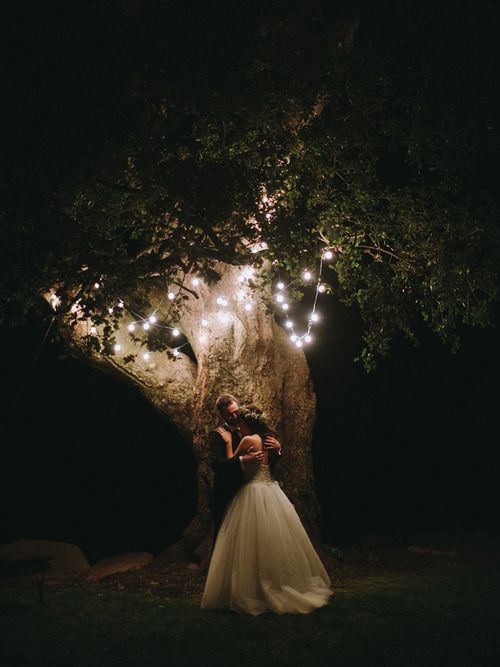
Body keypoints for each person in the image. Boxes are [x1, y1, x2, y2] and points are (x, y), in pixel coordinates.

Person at [201, 405, 333, 616]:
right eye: (231, 415)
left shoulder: (246, 439)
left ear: (247, 422)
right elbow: (222, 465)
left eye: (240, 418)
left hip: (252, 491)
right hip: (271, 490)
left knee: (251, 542)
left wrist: (231, 445)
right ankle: (276, 582)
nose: (236, 420)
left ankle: (252, 588)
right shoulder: (265, 438)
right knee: (273, 539)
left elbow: (233, 461)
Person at [208, 394, 281, 538]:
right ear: (222, 415)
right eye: (230, 414)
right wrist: (243, 459)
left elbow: (269, 459)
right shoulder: (218, 435)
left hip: (254, 492)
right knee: (225, 538)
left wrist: (278, 449)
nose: (235, 416)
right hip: (227, 492)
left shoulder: (253, 431)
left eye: (236, 411)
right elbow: (216, 465)